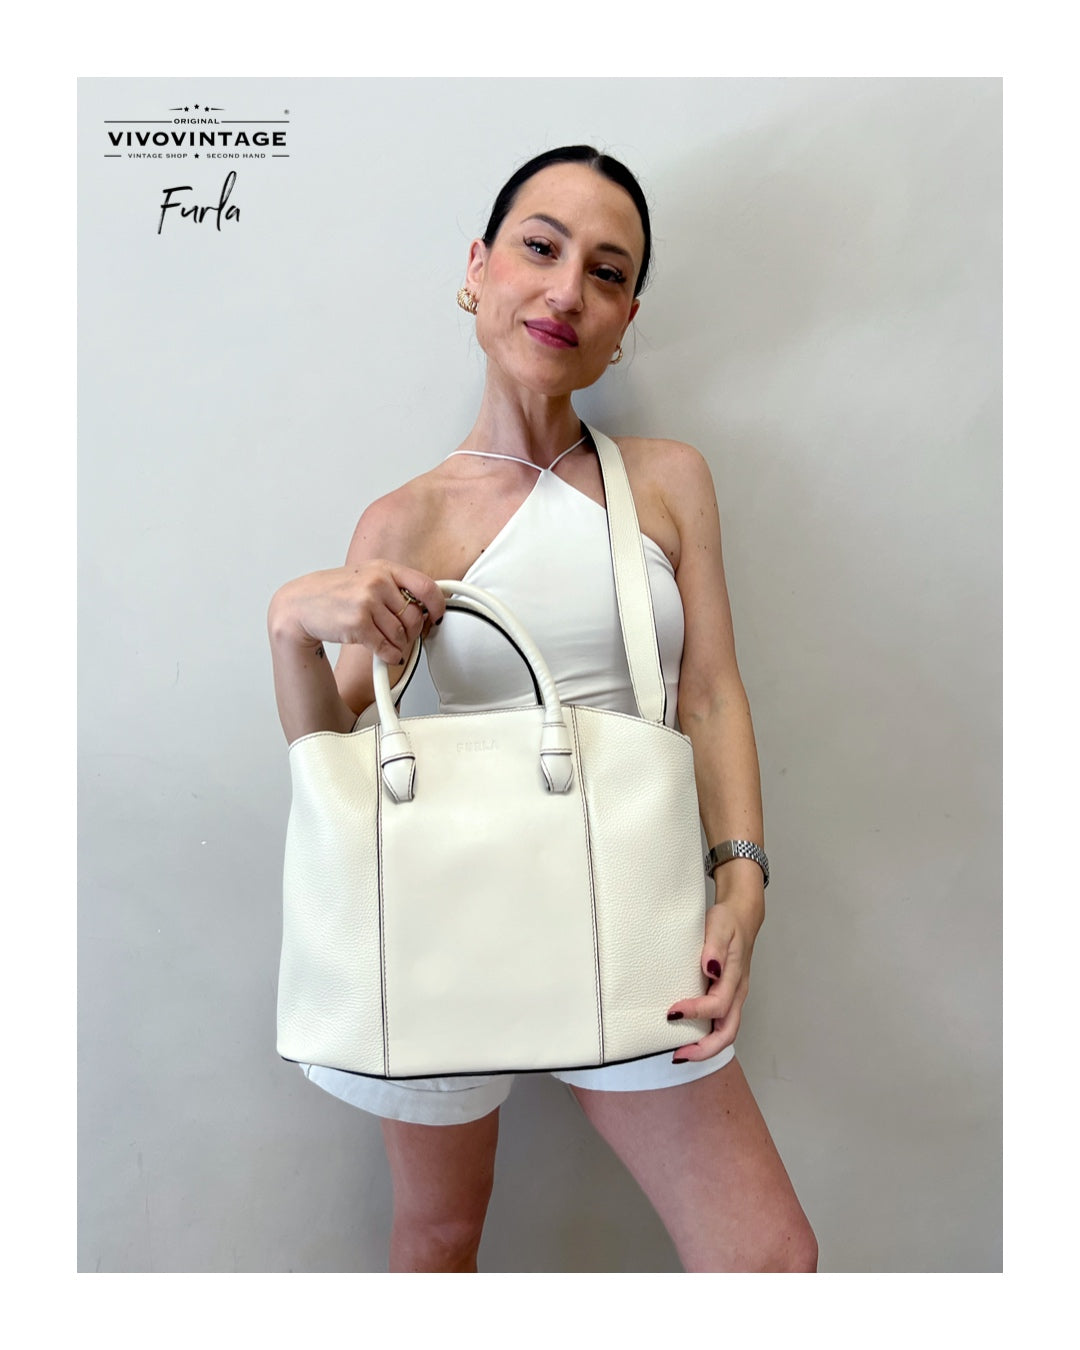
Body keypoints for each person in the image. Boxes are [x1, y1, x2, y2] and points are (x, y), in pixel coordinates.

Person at [267, 145, 818, 1273]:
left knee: (767, 1262)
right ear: (478, 268)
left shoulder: (664, 482)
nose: (568, 289)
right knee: (438, 1238)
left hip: (635, 913)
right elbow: (332, 758)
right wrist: (290, 625)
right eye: (541, 247)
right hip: (438, 921)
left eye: (607, 273)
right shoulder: (403, 521)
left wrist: (743, 881)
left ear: (625, 322)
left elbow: (710, 691)